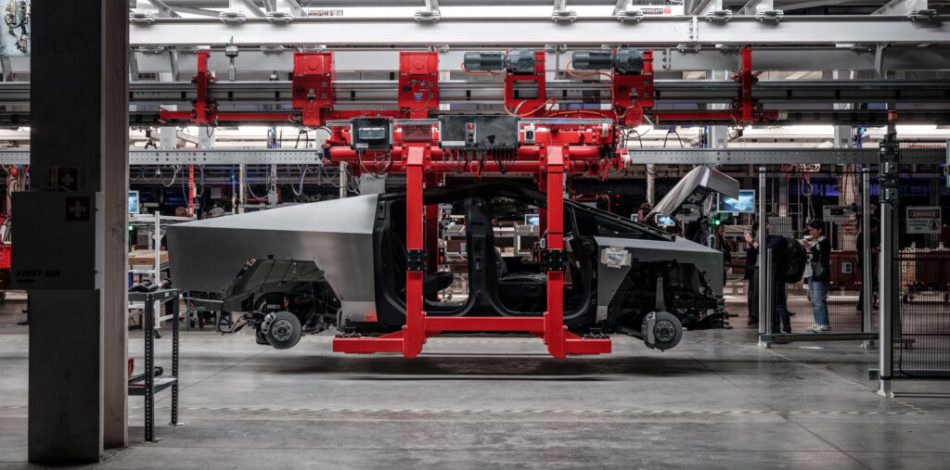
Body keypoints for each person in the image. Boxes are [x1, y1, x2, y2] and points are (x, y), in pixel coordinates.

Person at [803, 220, 831, 332]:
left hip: (820, 273)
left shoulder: (824, 242)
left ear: (820, 230)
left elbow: (821, 256)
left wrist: (811, 247)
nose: (811, 232)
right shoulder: (815, 241)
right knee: (815, 300)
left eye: (813, 230)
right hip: (812, 273)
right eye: (810, 230)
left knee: (819, 300)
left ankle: (823, 324)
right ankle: (818, 322)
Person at [743, 223, 759, 326]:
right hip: (753, 268)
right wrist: (749, 240)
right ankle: (753, 314)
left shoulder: (753, 239)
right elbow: (755, 250)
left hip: (753, 268)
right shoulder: (753, 239)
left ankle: (754, 314)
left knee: (753, 292)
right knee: (753, 292)